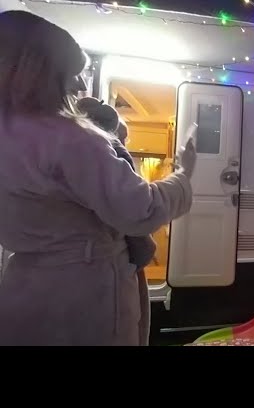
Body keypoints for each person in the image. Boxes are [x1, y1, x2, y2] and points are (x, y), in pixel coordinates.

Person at [0, 10, 196, 346]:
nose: (79, 84)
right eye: (73, 74)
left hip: (25, 287)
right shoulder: (72, 138)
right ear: (45, 72)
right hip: (83, 294)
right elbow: (141, 211)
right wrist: (183, 173)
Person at [75, 96, 156, 346]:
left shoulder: (57, 152)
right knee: (130, 323)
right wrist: (145, 250)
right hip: (113, 262)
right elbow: (134, 217)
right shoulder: (117, 157)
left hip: (69, 268)